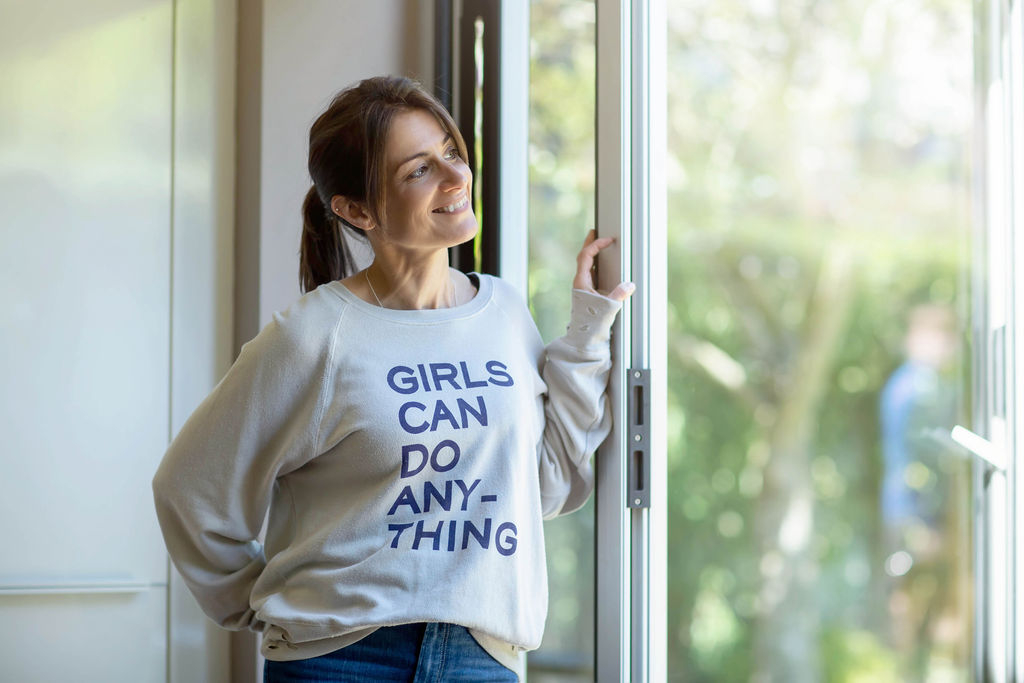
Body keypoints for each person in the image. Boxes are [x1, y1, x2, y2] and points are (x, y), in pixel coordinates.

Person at [152, 75, 633, 682]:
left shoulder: (504, 313)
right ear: (356, 210)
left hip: (482, 658)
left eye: (451, 152)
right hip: (340, 661)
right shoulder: (314, 336)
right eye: (419, 170)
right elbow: (189, 488)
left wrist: (588, 331)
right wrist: (266, 606)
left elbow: (546, 486)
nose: (456, 177)